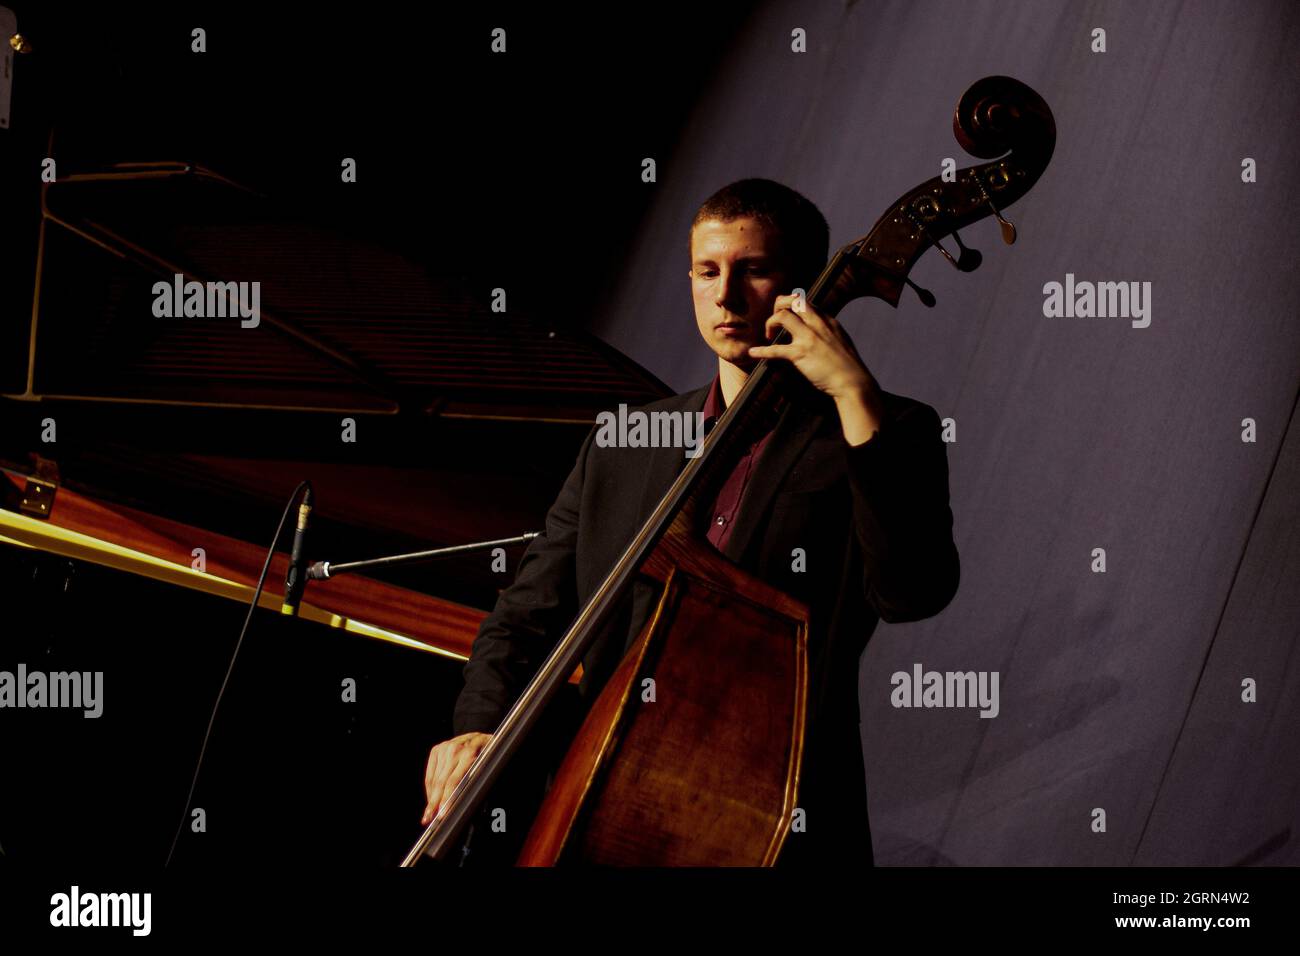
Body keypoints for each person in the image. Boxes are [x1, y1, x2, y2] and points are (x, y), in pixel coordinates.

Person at [421, 178, 960, 866]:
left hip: (777, 809)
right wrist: (476, 729)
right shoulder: (626, 440)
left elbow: (912, 591)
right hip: (601, 788)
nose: (726, 296)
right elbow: (525, 614)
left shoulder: (881, 428)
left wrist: (853, 393)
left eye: (754, 270)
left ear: (804, 284)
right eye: (707, 272)